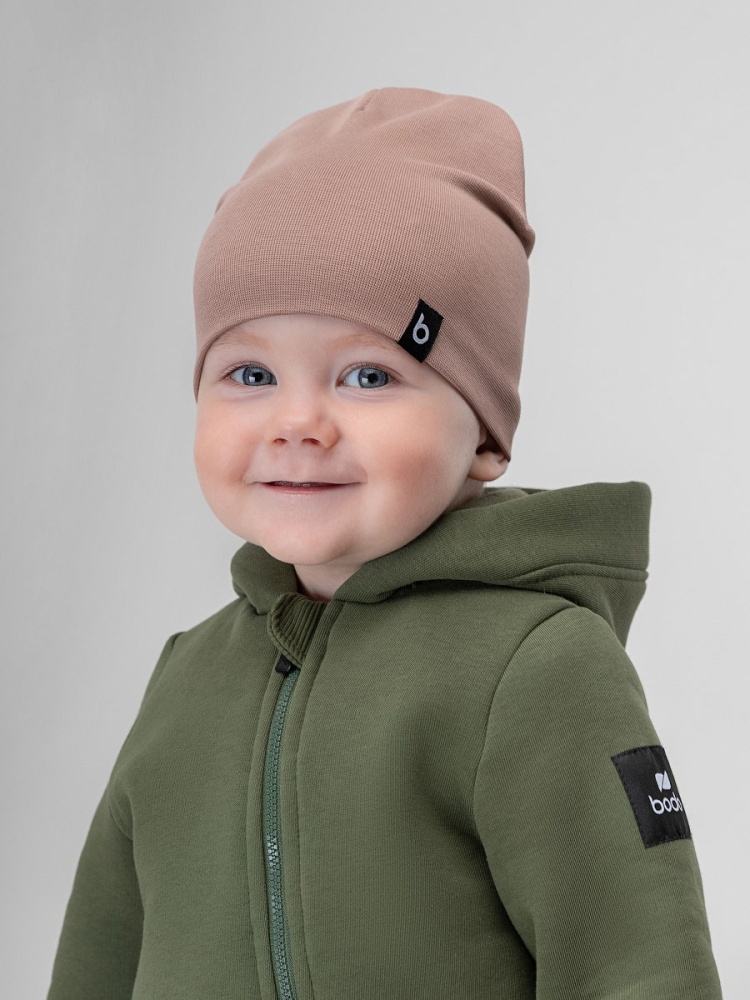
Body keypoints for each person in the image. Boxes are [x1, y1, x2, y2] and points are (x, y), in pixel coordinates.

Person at [46, 87, 723, 999]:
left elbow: (640, 969)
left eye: (367, 375)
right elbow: (97, 961)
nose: (297, 421)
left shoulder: (540, 670)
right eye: (249, 372)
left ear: (482, 436)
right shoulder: (186, 678)